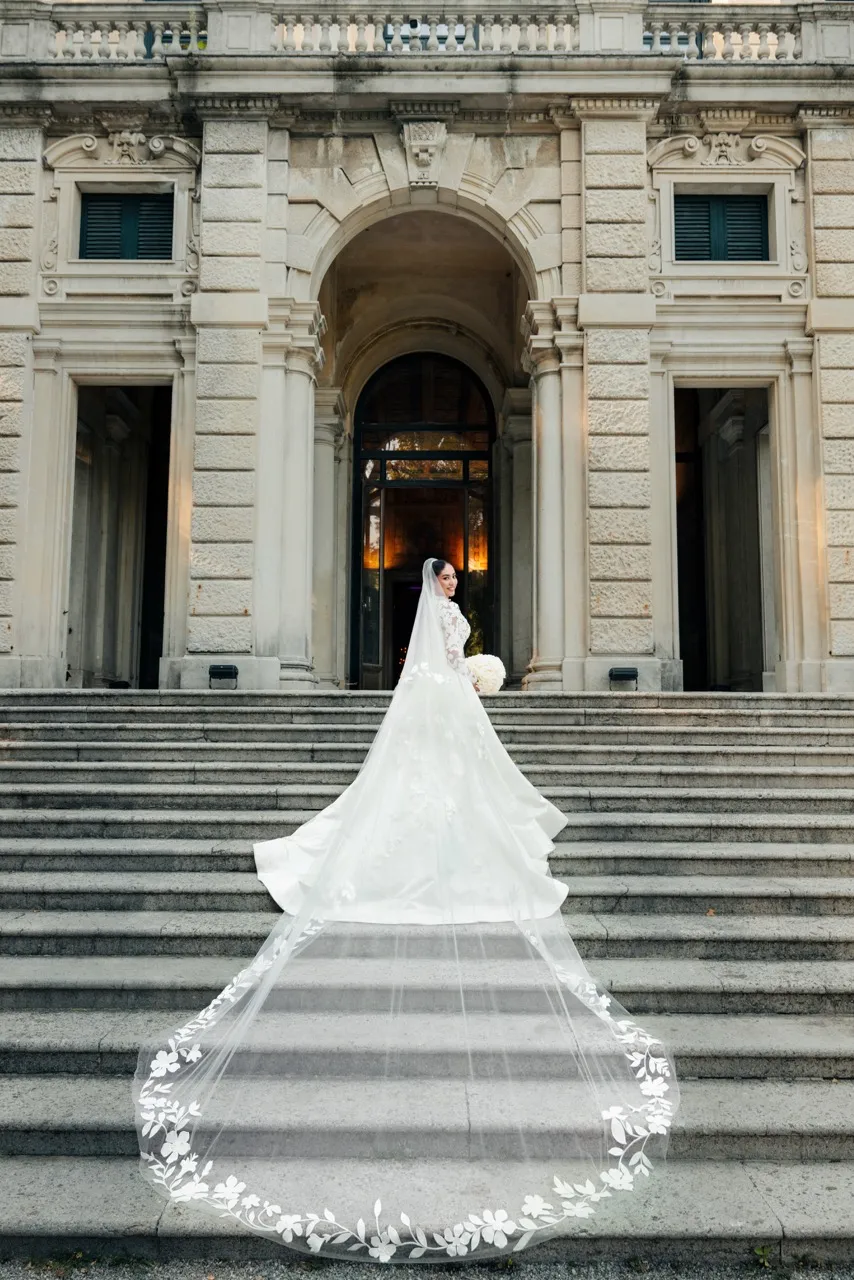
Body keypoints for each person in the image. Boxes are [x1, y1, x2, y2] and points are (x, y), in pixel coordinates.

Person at [135, 557, 678, 1261]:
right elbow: (452, 662)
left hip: (433, 706)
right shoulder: (447, 624)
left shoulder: (432, 626)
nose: (453, 586)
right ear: (437, 587)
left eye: (455, 579)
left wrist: (469, 675)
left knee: (433, 789)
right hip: (447, 703)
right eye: (448, 579)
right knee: (451, 790)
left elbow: (440, 667)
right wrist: (476, 674)